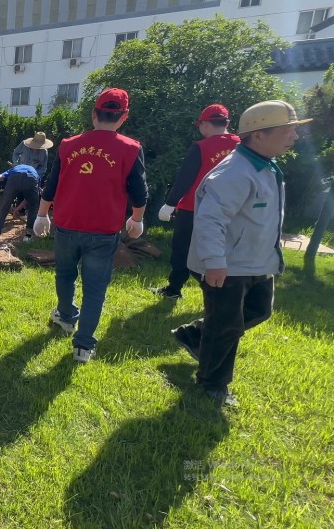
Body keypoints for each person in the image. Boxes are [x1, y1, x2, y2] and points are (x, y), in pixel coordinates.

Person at [172, 100, 307, 406]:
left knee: (259, 311)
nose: (294, 137)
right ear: (258, 135)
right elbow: (210, 220)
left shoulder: (265, 166)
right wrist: (215, 262)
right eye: (288, 131)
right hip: (229, 265)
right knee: (227, 326)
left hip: (257, 260)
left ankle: (195, 335)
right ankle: (213, 384)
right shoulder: (235, 173)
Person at [33, 88, 148, 363]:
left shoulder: (68, 144)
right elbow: (140, 192)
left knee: (65, 274)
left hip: (67, 226)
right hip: (103, 231)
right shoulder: (130, 149)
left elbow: (52, 183)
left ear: (94, 113)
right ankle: (83, 346)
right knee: (95, 288)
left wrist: (41, 215)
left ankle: (67, 315)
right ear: (124, 117)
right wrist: (137, 219)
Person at [151, 104, 241, 300]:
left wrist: (170, 203)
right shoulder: (242, 146)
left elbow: (186, 177)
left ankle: (174, 289)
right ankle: (222, 295)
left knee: (182, 251)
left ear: (205, 124)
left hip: (194, 209)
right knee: (223, 253)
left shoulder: (201, 147)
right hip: (232, 211)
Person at [0, 164, 41, 245]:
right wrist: (17, 210)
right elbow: (28, 200)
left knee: (3, 208)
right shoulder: (34, 172)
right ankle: (28, 237)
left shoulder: (14, 169)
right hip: (31, 179)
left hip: (14, 179)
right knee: (33, 208)